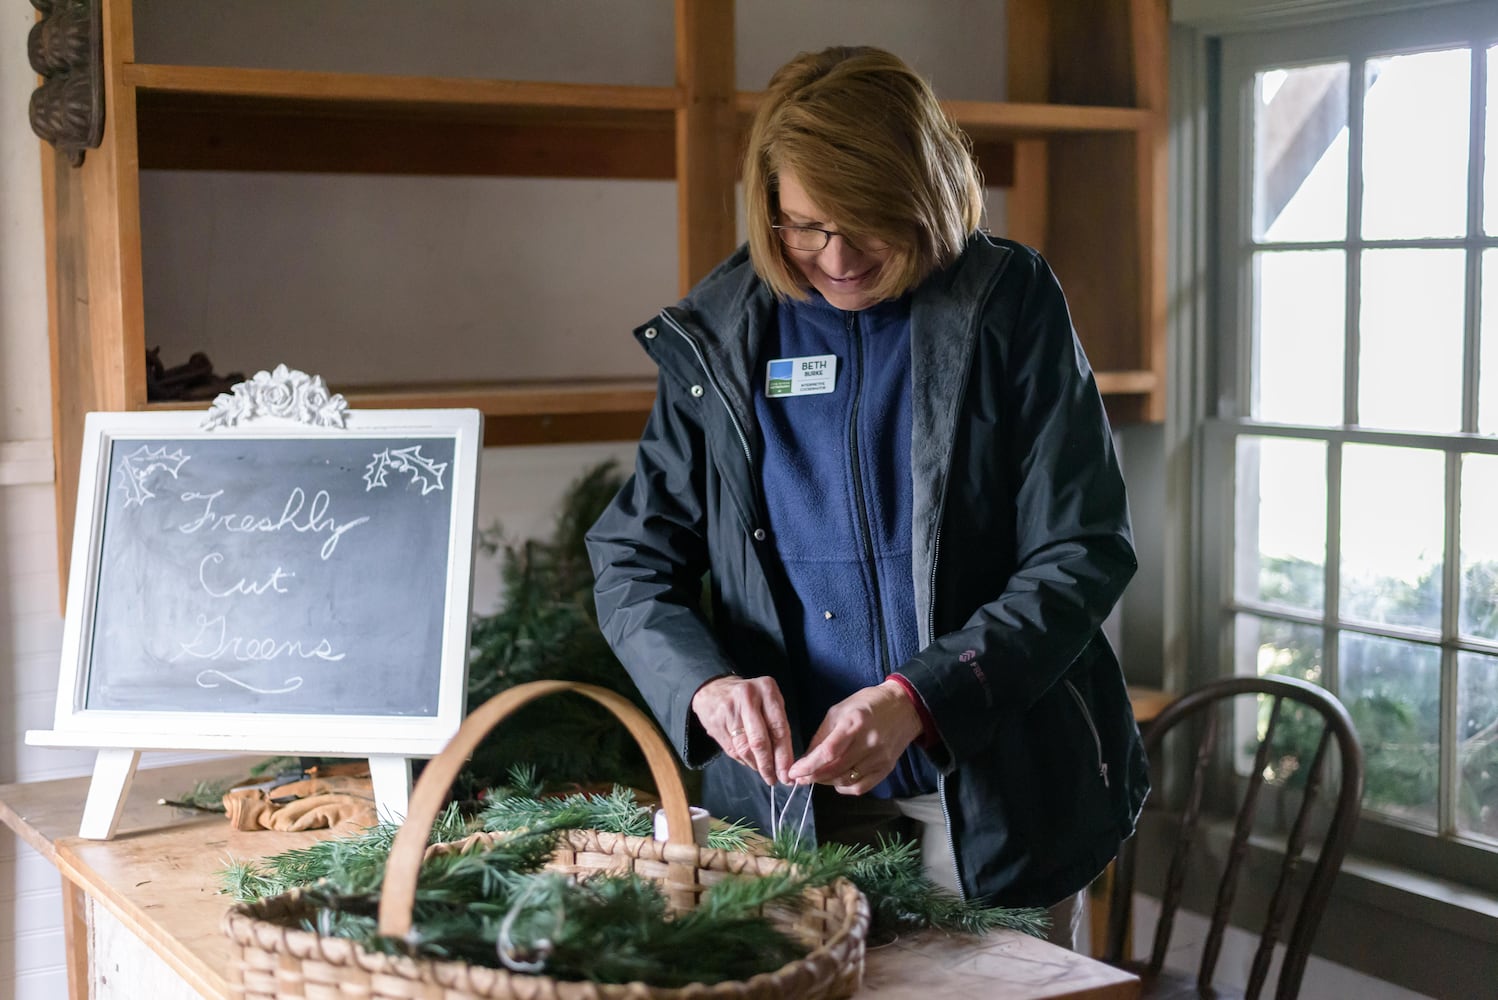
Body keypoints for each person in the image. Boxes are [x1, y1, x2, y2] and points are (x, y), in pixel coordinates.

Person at [585, 45, 1148, 948]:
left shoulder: (1009, 304)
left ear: (927, 201)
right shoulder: (720, 335)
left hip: (993, 806)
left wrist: (920, 700)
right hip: (783, 813)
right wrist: (705, 687)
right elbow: (630, 560)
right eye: (804, 225)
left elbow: (1082, 550)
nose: (836, 258)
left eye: (868, 225)